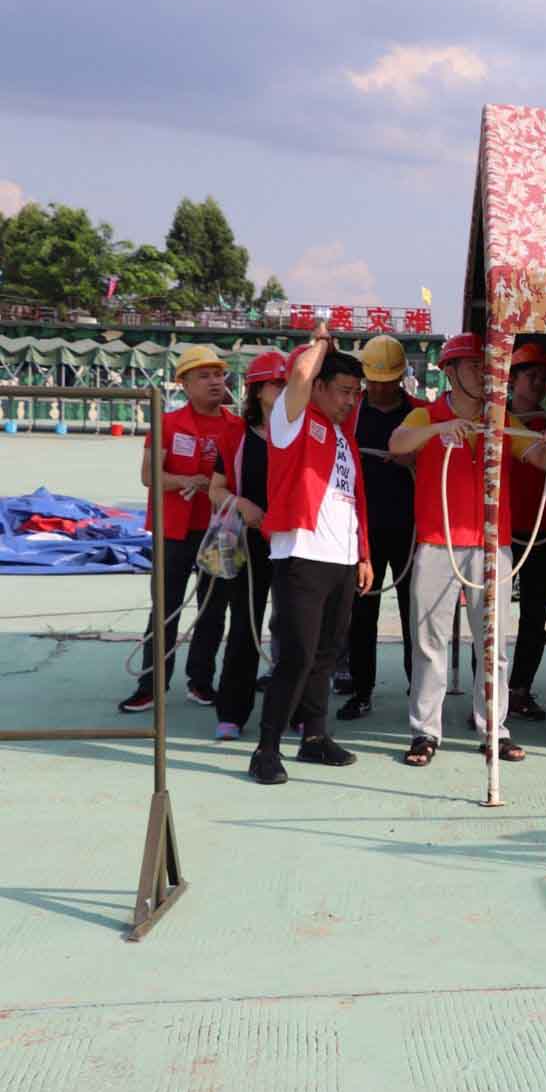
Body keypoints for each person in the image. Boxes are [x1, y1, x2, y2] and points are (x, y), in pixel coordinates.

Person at [388, 334, 546, 767]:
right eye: (473, 365)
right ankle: (425, 731)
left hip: (491, 546)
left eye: (487, 365)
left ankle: (494, 729)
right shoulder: (427, 415)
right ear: (450, 371)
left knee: (493, 645)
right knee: (430, 642)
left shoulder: (500, 419)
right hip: (437, 543)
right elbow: (397, 444)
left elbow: (539, 457)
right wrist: (439, 430)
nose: (484, 373)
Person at [251, 324, 374, 785]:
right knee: (297, 657)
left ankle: (315, 737)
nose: (350, 401)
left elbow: (353, 500)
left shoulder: (344, 438)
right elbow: (300, 375)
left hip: (342, 559)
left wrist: (363, 555)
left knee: (326, 654)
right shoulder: (293, 422)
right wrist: (321, 343)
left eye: (356, 393)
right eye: (343, 391)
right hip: (301, 555)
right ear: (319, 386)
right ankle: (266, 748)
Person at [118, 345, 242, 713]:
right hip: (174, 529)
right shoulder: (168, 424)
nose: (214, 381)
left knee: (212, 610)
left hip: (220, 531)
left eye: (218, 374)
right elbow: (149, 475)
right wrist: (187, 480)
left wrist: (215, 487)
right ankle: (151, 685)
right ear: (184, 384)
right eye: (204, 376)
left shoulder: (236, 427)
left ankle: (201, 682)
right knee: (165, 608)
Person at [338, 335, 422, 721]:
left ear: (402, 377)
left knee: (415, 613)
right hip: (363, 530)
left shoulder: (420, 414)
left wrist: (413, 462)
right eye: (375, 381)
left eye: (389, 381)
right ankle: (361, 689)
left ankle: (419, 688)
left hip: (412, 529)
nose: (382, 388)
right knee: (361, 613)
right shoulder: (350, 414)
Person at [206, 350, 286, 740]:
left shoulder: (302, 433)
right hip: (249, 543)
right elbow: (215, 489)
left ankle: (296, 709)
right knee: (244, 624)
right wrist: (242, 505)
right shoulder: (235, 436)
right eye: (278, 383)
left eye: (289, 383)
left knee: (296, 629)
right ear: (256, 391)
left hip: (293, 542)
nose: (285, 389)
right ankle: (232, 712)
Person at [506, 342, 546, 722]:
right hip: (501, 532)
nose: (538, 383)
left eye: (544, 377)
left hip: (543, 533)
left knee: (535, 617)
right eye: (531, 375)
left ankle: (520, 690)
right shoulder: (495, 421)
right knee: (488, 617)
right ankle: (487, 693)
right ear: (512, 379)